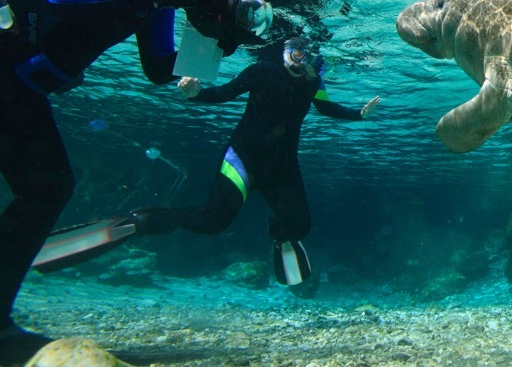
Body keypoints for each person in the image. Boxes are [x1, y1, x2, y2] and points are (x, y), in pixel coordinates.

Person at [0, 0, 255, 366]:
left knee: (47, 187)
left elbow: (158, 68)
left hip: (12, 83)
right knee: (47, 186)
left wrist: (214, 44)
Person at [129, 37, 380, 286]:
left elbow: (326, 107)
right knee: (212, 222)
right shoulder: (262, 71)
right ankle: (154, 220)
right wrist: (196, 94)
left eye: (306, 55)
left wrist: (359, 114)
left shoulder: (313, 82)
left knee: (299, 227)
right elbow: (224, 93)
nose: (301, 60)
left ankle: (280, 237)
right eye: (295, 53)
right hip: (242, 160)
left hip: (282, 167)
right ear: (284, 53)